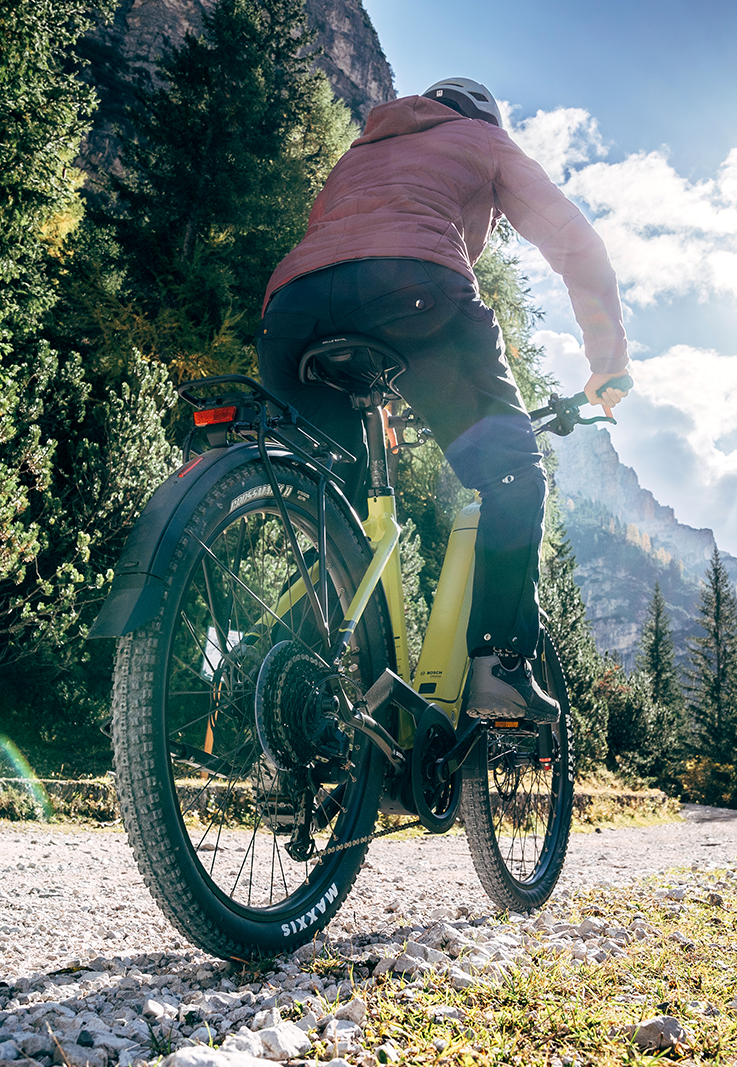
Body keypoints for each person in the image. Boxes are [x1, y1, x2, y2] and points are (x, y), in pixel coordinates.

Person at [257, 77, 630, 723]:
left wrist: (379, 396)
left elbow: (345, 259)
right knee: (511, 473)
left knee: (336, 506)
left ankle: (298, 686)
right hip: (417, 289)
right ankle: (498, 669)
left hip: (289, 312)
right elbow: (575, 244)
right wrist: (608, 365)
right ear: (484, 116)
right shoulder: (485, 139)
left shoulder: (360, 152)